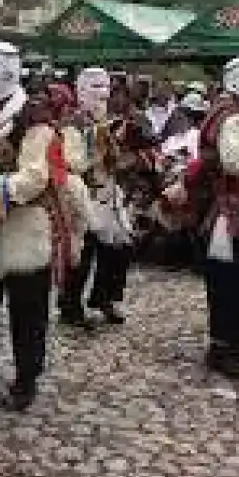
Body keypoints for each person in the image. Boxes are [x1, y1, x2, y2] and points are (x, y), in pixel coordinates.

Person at [0, 41, 87, 411]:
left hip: (24, 228)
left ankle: (26, 378)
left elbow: (35, 177)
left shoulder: (35, 120)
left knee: (27, 312)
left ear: (9, 72)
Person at [168, 56, 239, 382]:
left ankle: (234, 340)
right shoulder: (230, 116)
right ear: (236, 81)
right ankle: (222, 347)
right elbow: (235, 161)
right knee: (229, 279)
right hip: (228, 212)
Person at [60, 67, 131, 328]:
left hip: (109, 191)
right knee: (83, 253)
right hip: (83, 195)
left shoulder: (109, 120)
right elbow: (72, 162)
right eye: (95, 87)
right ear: (80, 90)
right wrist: (98, 144)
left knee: (120, 247)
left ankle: (106, 298)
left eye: (105, 87)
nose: (102, 93)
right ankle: (70, 305)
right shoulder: (71, 124)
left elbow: (118, 157)